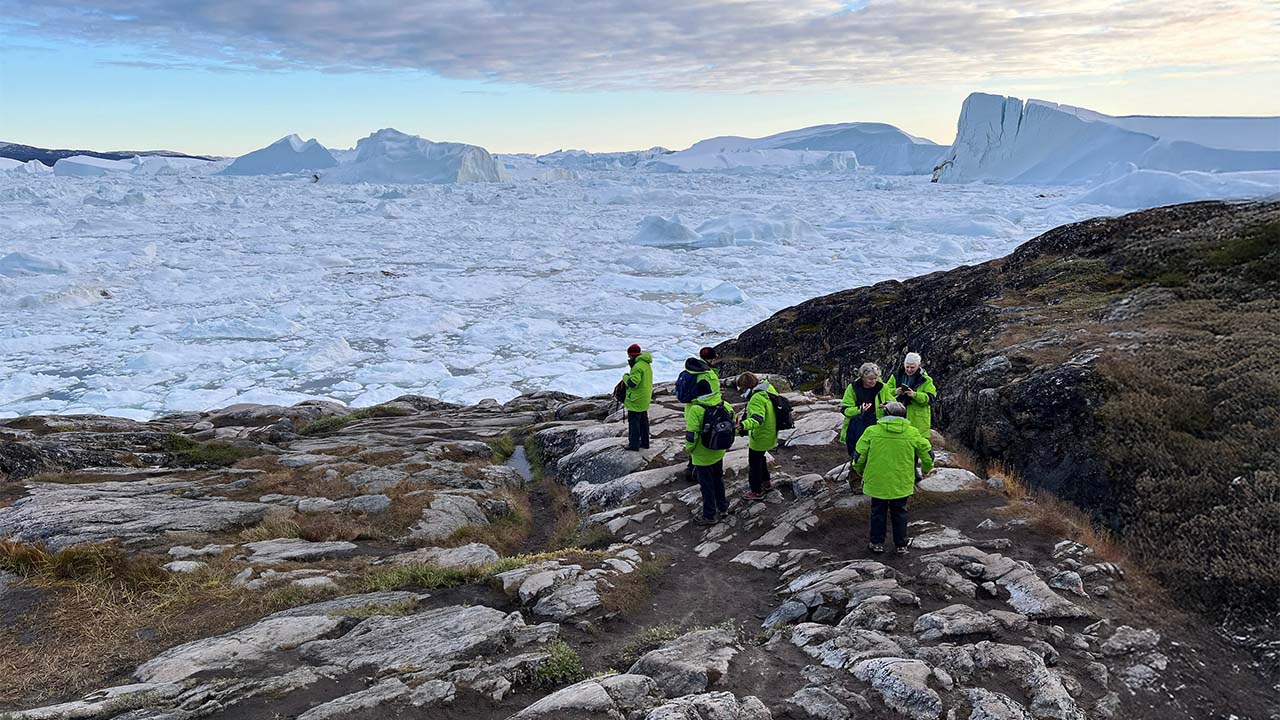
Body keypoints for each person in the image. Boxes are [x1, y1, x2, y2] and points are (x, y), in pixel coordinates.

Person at [853, 401, 933, 555]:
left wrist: (860, 470)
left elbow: (859, 455)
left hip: (877, 480)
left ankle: (877, 543)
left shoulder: (872, 431)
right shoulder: (912, 432)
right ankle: (901, 545)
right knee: (900, 512)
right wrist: (925, 470)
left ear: (886, 414)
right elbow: (928, 454)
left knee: (877, 511)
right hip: (901, 480)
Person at [685, 380, 735, 526]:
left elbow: (691, 434)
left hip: (702, 455)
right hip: (719, 450)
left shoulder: (696, 409)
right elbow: (733, 423)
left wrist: (690, 448)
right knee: (718, 479)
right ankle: (723, 508)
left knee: (706, 485)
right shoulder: (723, 404)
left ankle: (709, 515)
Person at [736, 372, 778, 501]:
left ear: (746, 387)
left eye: (741, 388)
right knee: (761, 458)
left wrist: (742, 426)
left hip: (760, 435)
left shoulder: (756, 398)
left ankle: (756, 491)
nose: (741, 392)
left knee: (754, 462)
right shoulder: (768, 389)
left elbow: (757, 419)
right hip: (771, 432)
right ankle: (766, 482)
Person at [681, 346, 721, 481]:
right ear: (711, 359)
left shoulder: (692, 370)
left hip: (691, 411)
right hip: (704, 413)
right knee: (704, 440)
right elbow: (713, 397)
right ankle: (694, 471)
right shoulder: (708, 375)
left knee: (696, 438)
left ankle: (693, 469)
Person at [839, 362, 891, 460]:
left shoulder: (883, 387)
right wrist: (859, 409)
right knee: (857, 453)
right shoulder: (853, 388)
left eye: (875, 378)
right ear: (862, 377)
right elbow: (845, 409)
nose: (873, 381)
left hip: (877, 425)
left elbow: (892, 402)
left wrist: (886, 405)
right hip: (856, 426)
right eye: (870, 379)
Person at [884, 352, 937, 438]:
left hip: (918, 422)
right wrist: (895, 391)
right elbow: (885, 392)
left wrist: (914, 395)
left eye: (912, 367)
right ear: (904, 364)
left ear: (918, 366)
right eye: (907, 367)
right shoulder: (896, 376)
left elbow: (930, 399)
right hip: (897, 416)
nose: (909, 369)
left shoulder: (926, 380)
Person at [621, 344, 653, 451]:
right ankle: (645, 443)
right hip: (645, 398)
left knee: (634, 423)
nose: (629, 359)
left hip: (636, 399)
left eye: (629, 356)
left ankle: (633, 444)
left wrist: (625, 377)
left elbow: (632, 383)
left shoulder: (637, 367)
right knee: (644, 421)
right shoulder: (646, 364)